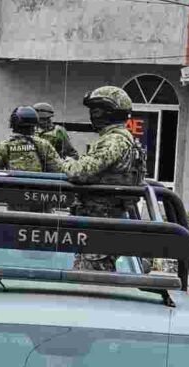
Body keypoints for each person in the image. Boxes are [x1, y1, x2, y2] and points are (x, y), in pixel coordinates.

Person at [63, 86, 147, 271]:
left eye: (96, 110)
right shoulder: (119, 138)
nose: (93, 115)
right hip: (101, 222)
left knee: (88, 284)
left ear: (109, 112)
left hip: (101, 222)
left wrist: (67, 163)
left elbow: (81, 171)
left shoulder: (114, 140)